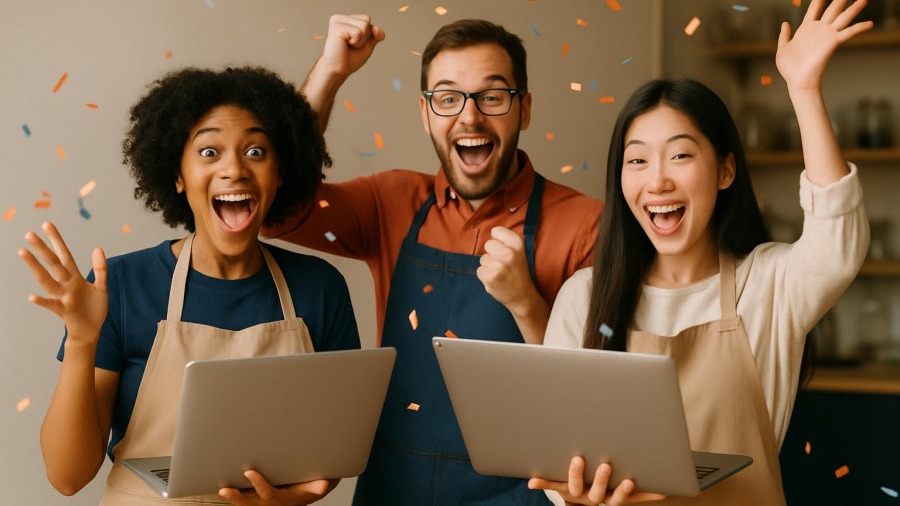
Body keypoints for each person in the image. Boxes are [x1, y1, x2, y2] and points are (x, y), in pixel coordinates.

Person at [528, 1, 872, 505]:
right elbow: (558, 455)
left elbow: (837, 243)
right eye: (638, 159)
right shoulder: (584, 297)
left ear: (725, 171)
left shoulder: (769, 285)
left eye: (681, 155)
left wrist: (803, 90)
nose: (657, 179)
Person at [262, 15, 603, 505]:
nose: (469, 117)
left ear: (524, 109)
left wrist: (527, 303)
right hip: (394, 490)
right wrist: (330, 73)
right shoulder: (392, 202)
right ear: (426, 114)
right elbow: (276, 205)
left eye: (492, 96)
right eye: (447, 98)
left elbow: (592, 406)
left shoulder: (586, 225)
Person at [18, 66, 360, 505]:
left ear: (281, 174)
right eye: (209, 152)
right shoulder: (122, 286)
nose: (234, 168)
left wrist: (290, 499)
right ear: (177, 176)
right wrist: (83, 341)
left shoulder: (320, 287)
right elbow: (67, 476)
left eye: (256, 151)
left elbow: (332, 451)